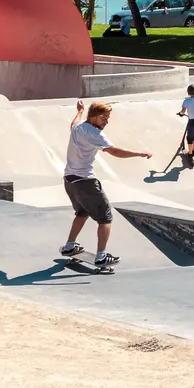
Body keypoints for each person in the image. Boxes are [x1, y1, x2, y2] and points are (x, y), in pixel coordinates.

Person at [61, 99, 152, 267]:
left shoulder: (79, 126)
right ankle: (101, 256)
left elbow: (73, 122)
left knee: (82, 212)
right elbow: (115, 151)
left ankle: (69, 246)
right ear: (94, 116)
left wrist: (79, 110)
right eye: (104, 118)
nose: (106, 122)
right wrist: (139, 153)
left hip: (69, 180)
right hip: (85, 181)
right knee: (105, 218)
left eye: (108, 118)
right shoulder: (96, 134)